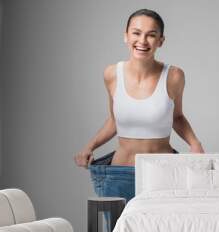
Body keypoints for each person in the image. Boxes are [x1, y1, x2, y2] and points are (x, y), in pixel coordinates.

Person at [74, 9, 204, 210]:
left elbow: (177, 117)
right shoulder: (111, 74)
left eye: (151, 35)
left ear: (161, 41)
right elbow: (115, 121)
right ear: (126, 36)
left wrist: (195, 144)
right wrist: (88, 147)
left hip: (162, 174)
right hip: (118, 174)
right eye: (136, 33)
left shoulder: (174, 75)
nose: (142, 41)